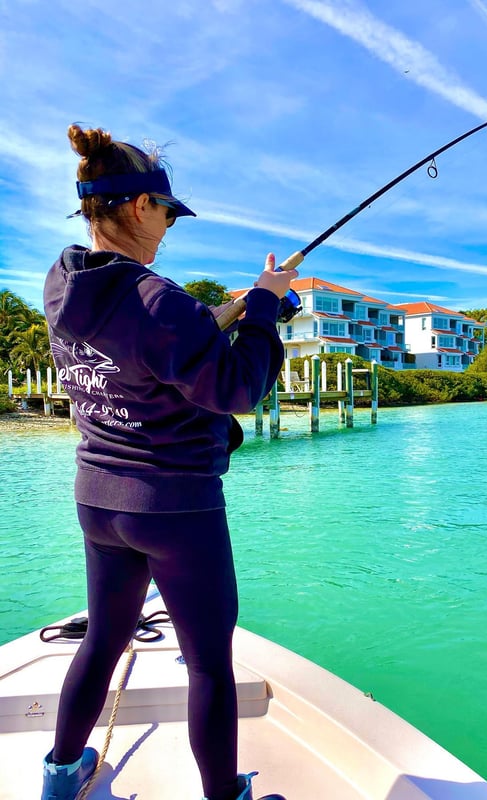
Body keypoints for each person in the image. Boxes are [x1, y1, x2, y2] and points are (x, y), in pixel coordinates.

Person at [41, 124, 296, 800]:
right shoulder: (159, 302)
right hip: (174, 507)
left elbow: (152, 336)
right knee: (209, 664)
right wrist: (266, 310)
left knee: (102, 641)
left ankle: (61, 778)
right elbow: (238, 387)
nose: (170, 225)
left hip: (98, 499)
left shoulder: (62, 283)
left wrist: (232, 307)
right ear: (135, 206)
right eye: (166, 210)